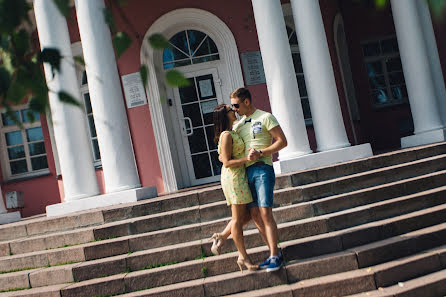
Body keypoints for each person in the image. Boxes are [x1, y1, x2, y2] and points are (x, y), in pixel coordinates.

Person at [211, 87, 287, 272]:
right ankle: (272, 252)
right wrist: (224, 158)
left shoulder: (265, 117)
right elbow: (225, 150)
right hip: (243, 174)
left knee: (265, 213)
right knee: (252, 215)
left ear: (246, 102)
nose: (234, 109)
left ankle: (274, 256)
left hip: (262, 170)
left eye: (236, 105)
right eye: (232, 107)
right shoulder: (237, 125)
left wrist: (261, 152)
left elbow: (282, 142)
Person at [212, 103, 258, 272]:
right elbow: (226, 162)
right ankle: (243, 257)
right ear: (226, 115)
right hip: (234, 178)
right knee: (238, 219)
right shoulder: (226, 135)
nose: (235, 110)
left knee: (247, 215)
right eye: (232, 110)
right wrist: (248, 159)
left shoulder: (232, 131)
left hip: (239, 176)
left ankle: (223, 236)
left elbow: (221, 156)